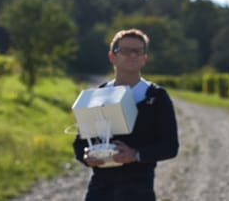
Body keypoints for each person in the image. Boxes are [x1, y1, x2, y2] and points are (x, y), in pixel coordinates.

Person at [73, 28, 179, 201]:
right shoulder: (98, 95)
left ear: (145, 58)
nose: (132, 55)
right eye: (125, 51)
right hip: (100, 189)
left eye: (138, 51)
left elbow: (170, 146)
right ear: (112, 57)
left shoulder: (156, 96)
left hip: (139, 189)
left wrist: (135, 154)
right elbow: (80, 143)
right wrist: (86, 157)